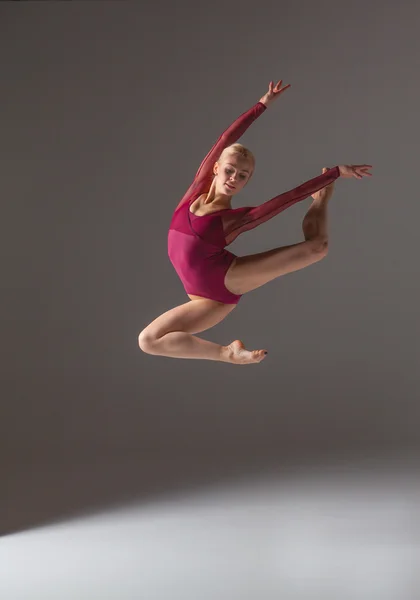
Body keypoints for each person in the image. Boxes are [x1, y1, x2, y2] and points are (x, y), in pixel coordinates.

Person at [138, 80, 372, 365]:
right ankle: (228, 354)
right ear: (215, 169)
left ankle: (321, 200)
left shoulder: (231, 221)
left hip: (222, 281)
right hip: (203, 300)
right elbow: (225, 139)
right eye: (230, 170)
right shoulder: (193, 194)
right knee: (148, 341)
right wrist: (262, 105)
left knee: (317, 248)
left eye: (243, 175)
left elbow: (283, 201)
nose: (234, 178)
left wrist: (334, 174)